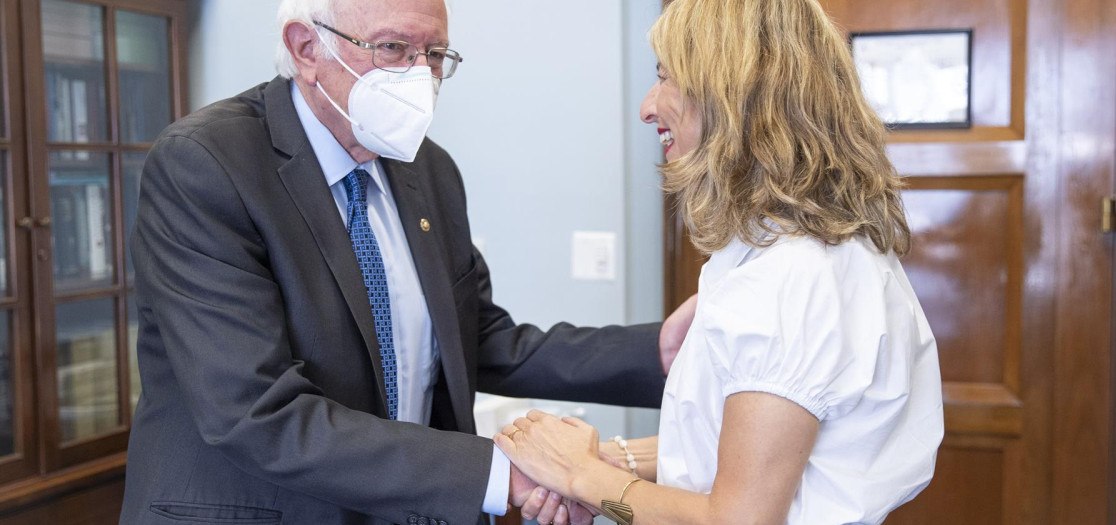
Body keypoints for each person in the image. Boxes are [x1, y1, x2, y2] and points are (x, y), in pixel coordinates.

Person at [118, 0, 696, 524]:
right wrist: (500, 474)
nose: (420, 75)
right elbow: (255, 414)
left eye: (435, 54)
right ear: (305, 46)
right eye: (394, 49)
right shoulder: (207, 165)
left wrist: (656, 352)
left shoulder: (428, 171)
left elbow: (479, 342)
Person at [496, 0, 944, 523]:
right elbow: (744, 447)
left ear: (731, 96)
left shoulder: (789, 276)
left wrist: (584, 478)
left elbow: (739, 517)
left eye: (666, 78)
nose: (646, 106)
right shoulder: (816, 248)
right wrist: (604, 461)